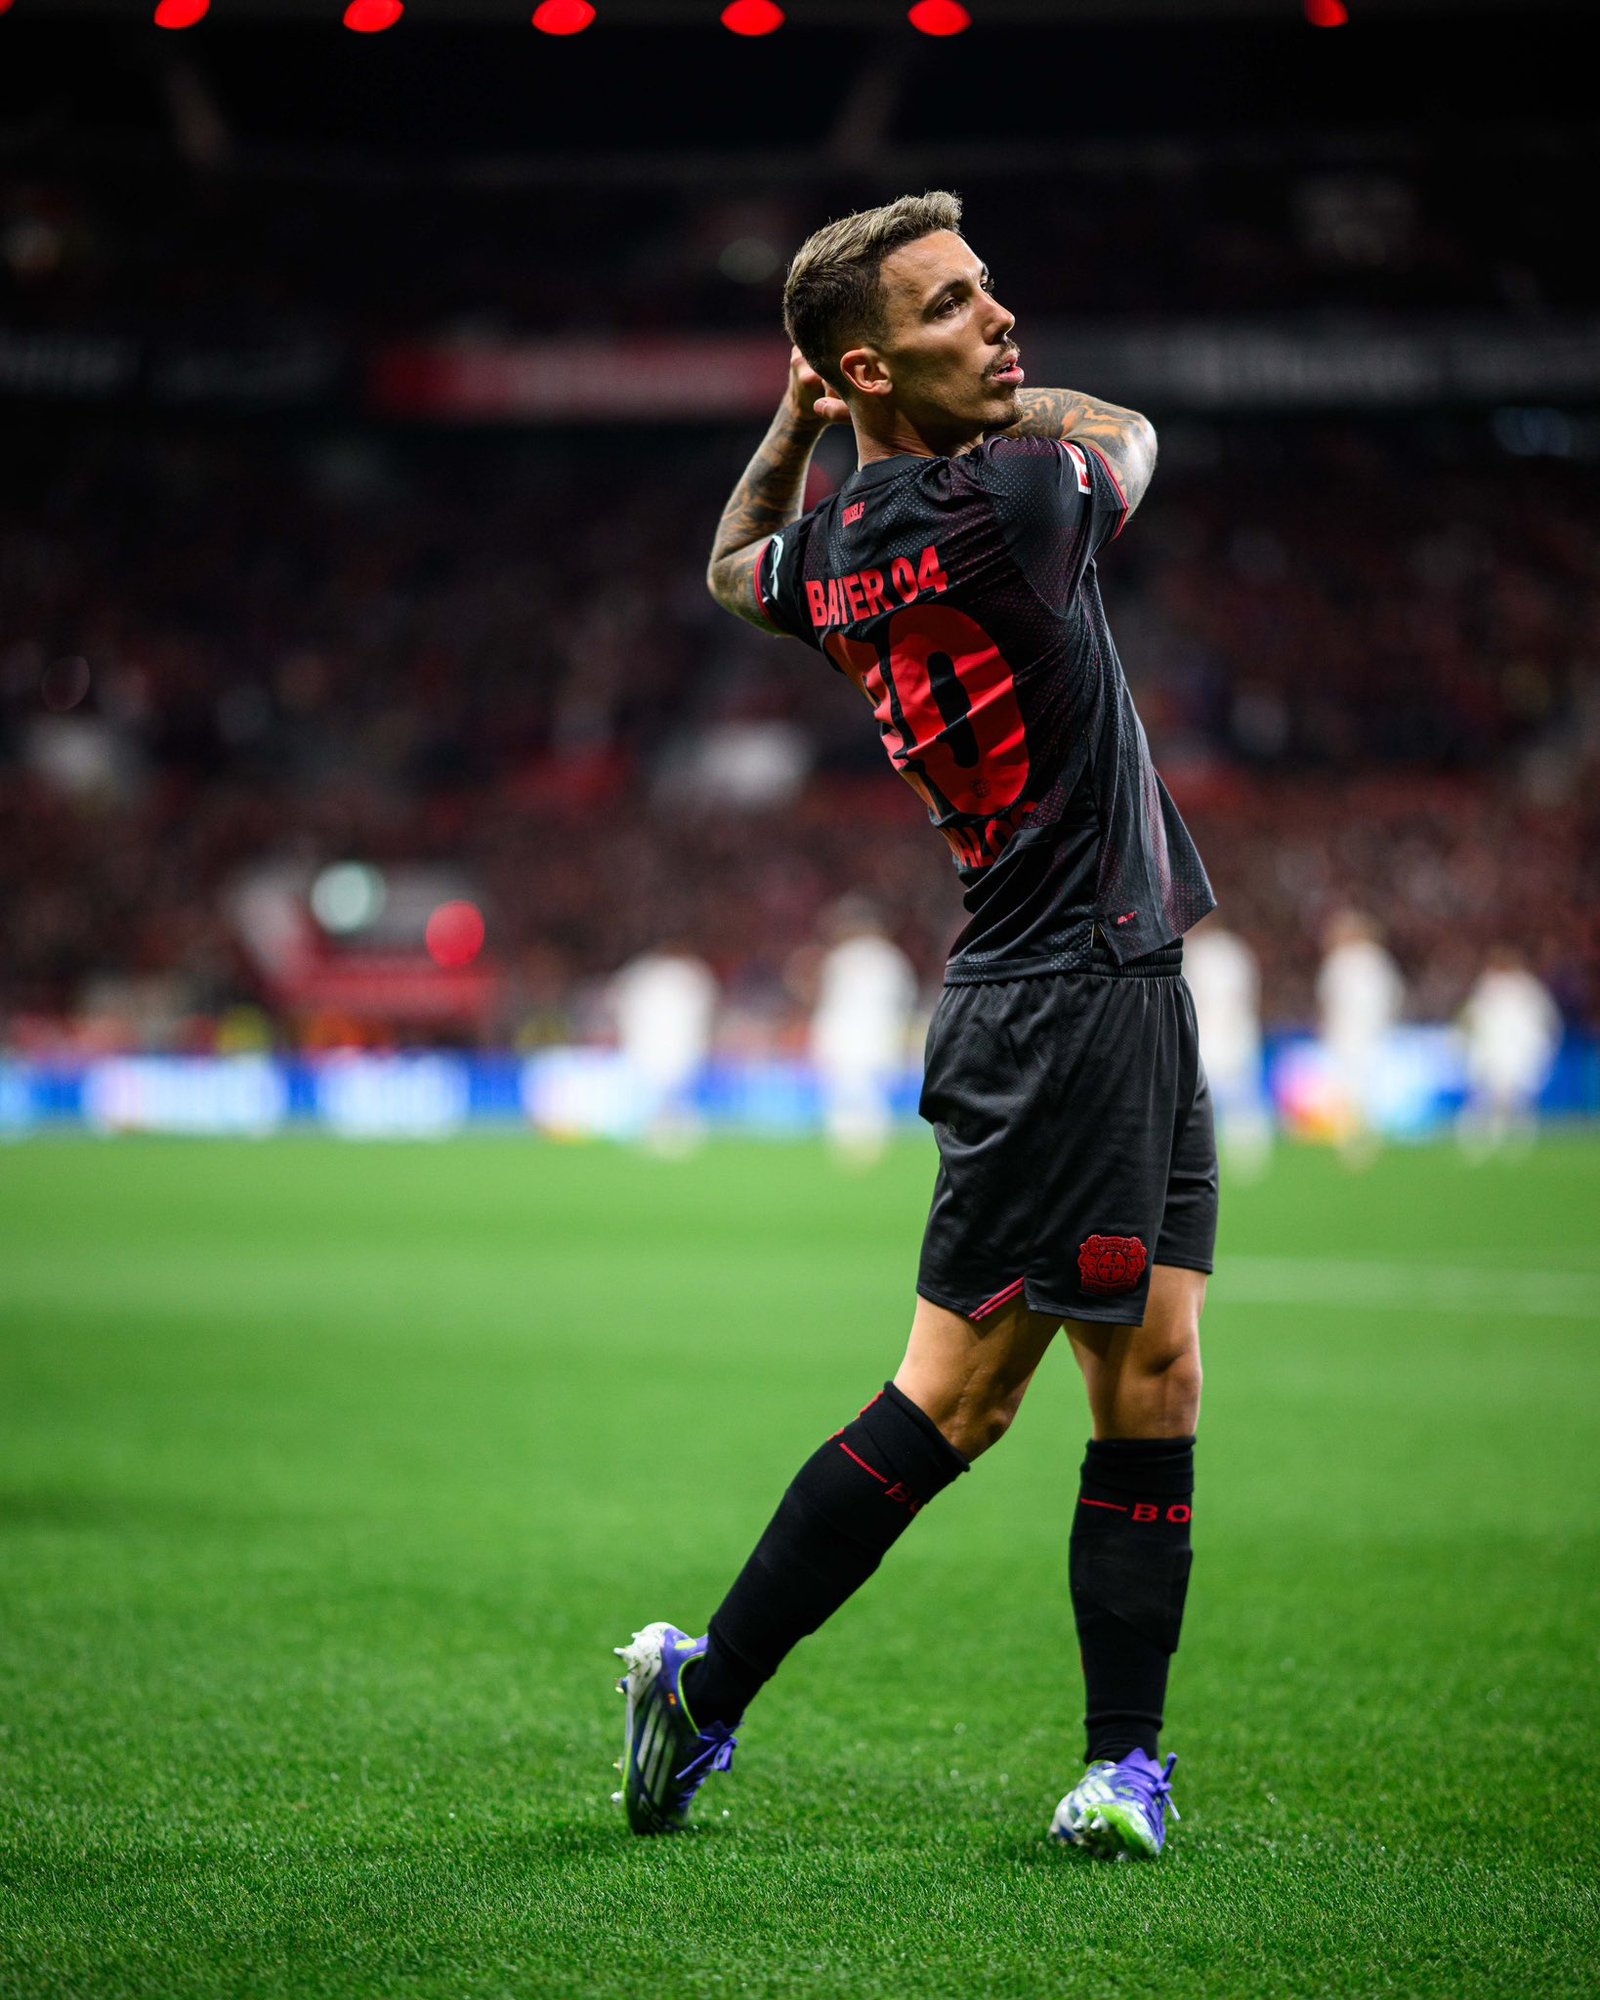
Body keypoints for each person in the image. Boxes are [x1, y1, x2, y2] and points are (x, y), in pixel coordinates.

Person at [615, 191, 1218, 1862]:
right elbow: (1132, 433)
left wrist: (801, 423)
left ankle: (1124, 1765)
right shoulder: (1013, 497)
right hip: (1067, 997)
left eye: (990, 289)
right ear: (873, 365)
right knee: (958, 1399)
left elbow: (730, 566)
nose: (1002, 322)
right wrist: (955, 406)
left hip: (1105, 981)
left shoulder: (834, 554)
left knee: (1155, 1374)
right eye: (954, 307)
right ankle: (706, 1687)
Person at [809, 896, 920, 1167]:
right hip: (879, 1036)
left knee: (846, 1094)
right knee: (871, 1096)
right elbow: (905, 1002)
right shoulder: (892, 958)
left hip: (844, 1035)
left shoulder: (843, 957)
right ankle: (871, 1150)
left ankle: (848, 1150)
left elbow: (824, 998)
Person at [609, 944, 719, 1155]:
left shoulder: (686, 974)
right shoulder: (648, 973)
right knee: (657, 1091)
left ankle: (676, 1131)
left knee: (674, 1091)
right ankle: (657, 1131)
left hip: (673, 1044)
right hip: (654, 1044)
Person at [1184, 917, 1271, 1178]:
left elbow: (1189, 997)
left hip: (1207, 1036)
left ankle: (1194, 1161)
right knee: (1242, 1103)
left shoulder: (1197, 954)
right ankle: (1250, 1163)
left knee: (1195, 1102)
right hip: (1239, 1034)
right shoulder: (1237, 951)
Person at [1315, 910, 1403, 1169]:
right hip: (1371, 1033)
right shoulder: (1378, 960)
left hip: (1347, 1033)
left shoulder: (1341, 961)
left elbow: (1327, 1001)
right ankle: (1362, 1137)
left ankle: (1353, 1138)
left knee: (1350, 1086)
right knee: (1363, 1086)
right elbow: (1394, 997)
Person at [1457, 947, 1562, 1158]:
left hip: (1514, 1053)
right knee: (1489, 1098)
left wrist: (1541, 1048)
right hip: (1496, 1053)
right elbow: (1473, 1018)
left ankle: (1513, 1141)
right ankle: (1484, 1140)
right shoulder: (1490, 986)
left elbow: (1546, 1021)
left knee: (1513, 1099)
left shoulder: (1525, 989)